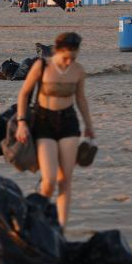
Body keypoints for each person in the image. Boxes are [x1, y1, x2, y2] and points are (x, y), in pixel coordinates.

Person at [15, 32, 94, 228]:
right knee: (49, 180)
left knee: (64, 180)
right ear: (57, 51)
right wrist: (22, 122)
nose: (69, 62)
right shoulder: (42, 66)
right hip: (44, 122)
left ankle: (60, 228)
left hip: (69, 123)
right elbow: (24, 93)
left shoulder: (78, 71)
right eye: (66, 57)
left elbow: (81, 99)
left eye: (73, 58)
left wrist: (89, 126)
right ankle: (38, 221)